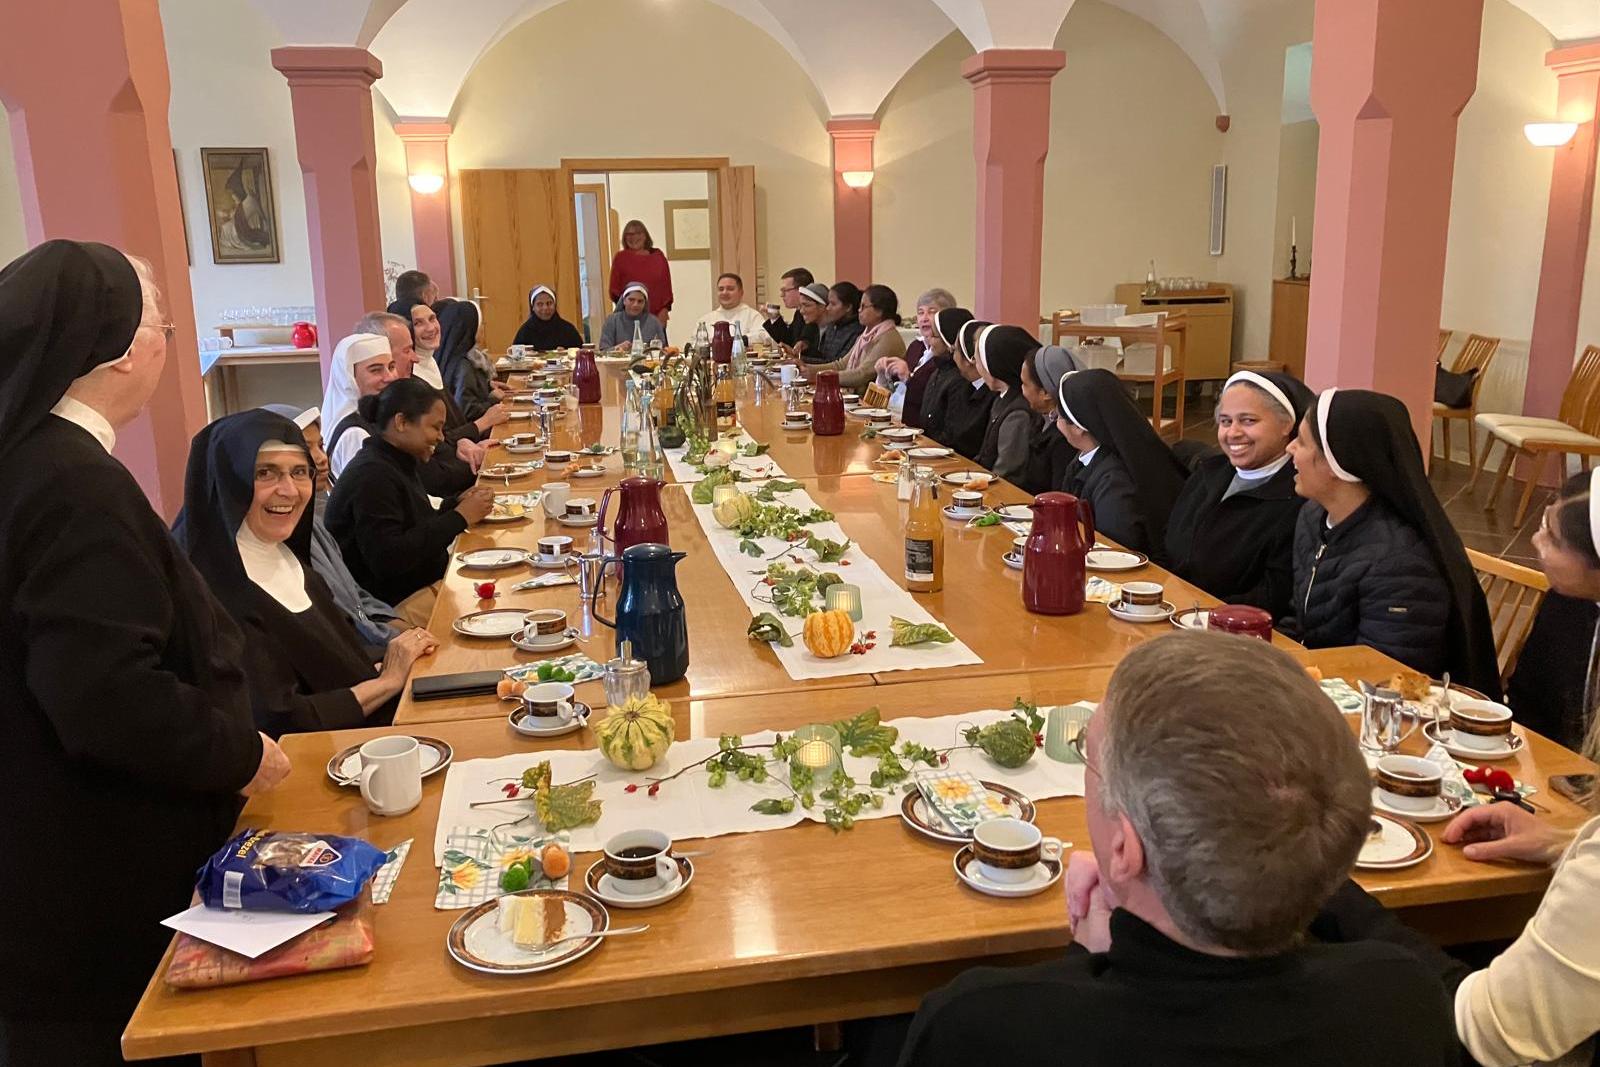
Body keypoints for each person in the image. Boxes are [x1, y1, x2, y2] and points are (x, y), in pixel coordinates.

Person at [897, 631, 1460, 1067]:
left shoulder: (978, 1026)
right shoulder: (1402, 1001)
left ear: (1123, 848)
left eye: (1088, 758)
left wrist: (1094, 955)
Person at [0, 240, 288, 1066]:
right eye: (163, 320)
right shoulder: (69, 482)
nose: (167, 336)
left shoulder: (32, 462)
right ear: (129, 348)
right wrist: (236, 750)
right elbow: (105, 695)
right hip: (91, 882)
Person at [175, 409, 440, 736]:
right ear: (231, 480)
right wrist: (387, 681)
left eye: (299, 472)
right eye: (266, 473)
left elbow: (337, 667)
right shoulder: (215, 589)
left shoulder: (290, 559)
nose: (289, 490)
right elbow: (277, 718)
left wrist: (397, 661)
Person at [1285, 388, 1500, 696]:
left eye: (1302, 442)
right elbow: (1301, 618)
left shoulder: (1400, 561)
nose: (1291, 448)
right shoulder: (1313, 517)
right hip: (1320, 687)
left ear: (1336, 462)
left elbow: (1383, 678)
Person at [326, 378, 496, 624]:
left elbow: (413, 524)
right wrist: (459, 517)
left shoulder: (394, 459)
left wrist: (455, 504)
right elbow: (390, 559)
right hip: (391, 609)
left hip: (416, 588)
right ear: (401, 422)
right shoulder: (372, 475)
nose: (440, 437)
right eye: (434, 427)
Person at [1165, 370, 1312, 621]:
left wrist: (1200, 614)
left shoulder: (1298, 498)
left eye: (1248, 421)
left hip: (1233, 631)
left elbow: (1275, 595)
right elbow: (1168, 547)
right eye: (1225, 421)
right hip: (1177, 614)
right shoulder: (1207, 474)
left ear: (1286, 424)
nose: (1232, 433)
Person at [261, 404, 406, 647]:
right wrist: (393, 637)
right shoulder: (278, 538)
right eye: (306, 449)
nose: (320, 458)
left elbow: (356, 595)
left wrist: (398, 625)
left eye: (320, 446)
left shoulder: (314, 525)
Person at [1056, 368, 1188, 564]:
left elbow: (1115, 553)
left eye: (1058, 417)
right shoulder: (1086, 459)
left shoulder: (1115, 482)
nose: (1056, 423)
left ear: (1077, 427)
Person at [361, 308, 499, 465]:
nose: (415, 358)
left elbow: (442, 440)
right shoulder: (363, 429)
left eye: (433, 319)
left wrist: (462, 444)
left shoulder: (429, 366)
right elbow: (430, 470)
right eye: (407, 350)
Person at [802, 283, 904, 391]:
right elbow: (841, 365)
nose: (859, 310)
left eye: (863, 306)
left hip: (870, 405)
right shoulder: (866, 335)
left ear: (879, 311)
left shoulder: (888, 338)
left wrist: (819, 376)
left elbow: (862, 375)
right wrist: (806, 368)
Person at [972, 324, 1038, 485]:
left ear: (994, 365)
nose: (974, 363)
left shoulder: (1018, 413)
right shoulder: (1002, 399)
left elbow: (1007, 474)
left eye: (978, 359)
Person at [880, 288, 957, 420]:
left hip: (918, 422)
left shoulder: (947, 355)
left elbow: (933, 398)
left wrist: (908, 378)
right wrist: (886, 371)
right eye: (921, 313)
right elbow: (896, 383)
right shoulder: (916, 346)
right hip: (895, 413)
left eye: (932, 312)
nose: (924, 318)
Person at [1018, 345, 1080, 494]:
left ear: (1046, 392)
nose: (1021, 390)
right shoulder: (1041, 418)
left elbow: (1058, 496)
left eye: (1025, 384)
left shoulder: (1065, 437)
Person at [432, 298, 500, 423]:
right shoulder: (463, 365)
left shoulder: (457, 356)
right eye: (480, 325)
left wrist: (487, 386)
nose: (483, 329)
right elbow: (467, 411)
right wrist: (493, 399)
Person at [608, 219, 673, 330]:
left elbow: (666, 286)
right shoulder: (620, 258)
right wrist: (629, 311)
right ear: (624, 237)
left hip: (657, 316)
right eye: (629, 234)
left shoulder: (658, 256)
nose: (634, 237)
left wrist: (664, 310)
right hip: (629, 318)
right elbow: (615, 290)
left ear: (645, 236)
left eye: (638, 233)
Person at [695, 272, 766, 340]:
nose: (724, 292)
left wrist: (739, 340)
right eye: (721, 289)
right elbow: (694, 343)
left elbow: (764, 336)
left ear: (741, 292)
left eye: (730, 289)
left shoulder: (752, 316)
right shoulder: (705, 320)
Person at [512, 284, 583, 350]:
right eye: (540, 304)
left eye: (549, 303)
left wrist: (565, 354)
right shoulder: (525, 332)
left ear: (555, 305)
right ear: (533, 307)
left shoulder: (568, 330)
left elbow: (581, 354)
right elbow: (516, 358)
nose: (545, 308)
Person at [600, 282, 668, 350]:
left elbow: (662, 350)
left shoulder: (654, 323)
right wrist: (617, 348)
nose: (635, 304)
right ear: (624, 301)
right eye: (631, 300)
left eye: (640, 301)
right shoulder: (612, 321)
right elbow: (603, 350)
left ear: (645, 303)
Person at [814, 281, 865, 365]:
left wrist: (802, 361)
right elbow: (822, 357)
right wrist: (797, 355)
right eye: (828, 303)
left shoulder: (858, 331)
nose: (828, 308)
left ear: (848, 307)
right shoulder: (831, 326)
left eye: (833, 304)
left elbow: (839, 364)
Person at [762, 266, 814, 346]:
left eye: (785, 290)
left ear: (801, 290)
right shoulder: (798, 313)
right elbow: (789, 341)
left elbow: (801, 350)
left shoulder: (813, 314)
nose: (781, 295)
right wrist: (774, 317)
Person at [780, 281, 829, 364]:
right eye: (800, 306)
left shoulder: (834, 331)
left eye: (807, 305)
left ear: (822, 306)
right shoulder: (814, 330)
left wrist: (796, 358)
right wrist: (793, 353)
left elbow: (829, 363)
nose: (802, 311)